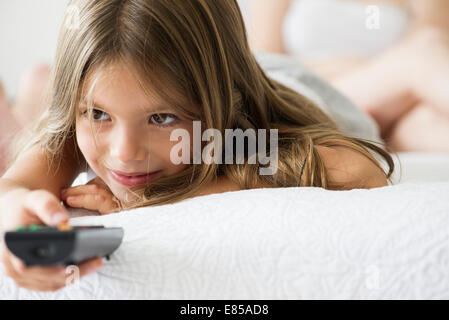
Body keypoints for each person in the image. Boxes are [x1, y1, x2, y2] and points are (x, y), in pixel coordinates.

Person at [0, 0, 394, 292]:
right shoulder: (88, 110)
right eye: (98, 114)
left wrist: (151, 199)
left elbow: (359, 171)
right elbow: (13, 190)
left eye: (162, 118)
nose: (125, 153)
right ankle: (35, 95)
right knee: (44, 94)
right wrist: (15, 210)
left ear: (220, 110)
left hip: (288, 78)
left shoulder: (253, 134)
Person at [247, 0, 449, 153]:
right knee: (422, 50)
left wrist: (377, 73)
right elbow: (264, 62)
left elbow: (435, 36)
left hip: (394, 106)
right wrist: (340, 67)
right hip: (317, 92)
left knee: (426, 124)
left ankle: (377, 141)